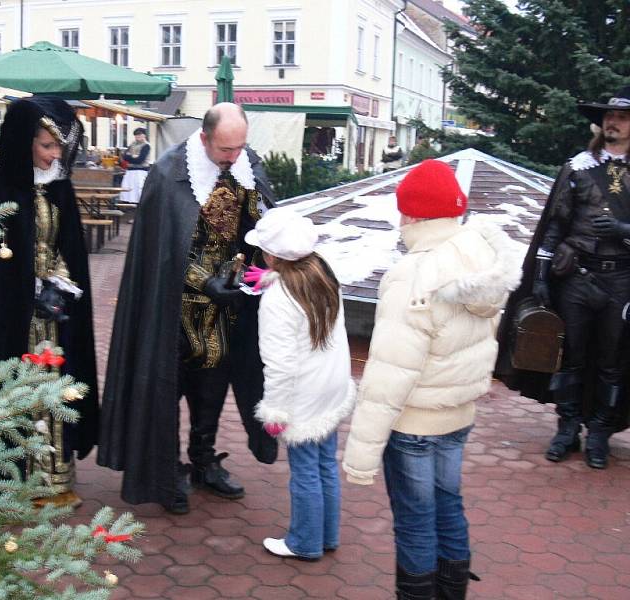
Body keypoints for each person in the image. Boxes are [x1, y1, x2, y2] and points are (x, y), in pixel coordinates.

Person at [343, 160, 522, 599]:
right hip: (458, 415)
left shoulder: (413, 274)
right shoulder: (481, 260)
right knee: (448, 508)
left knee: (415, 522)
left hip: (414, 424)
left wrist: (360, 457)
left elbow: (390, 372)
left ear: (412, 215)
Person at [98, 103, 278, 514]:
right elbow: (162, 249)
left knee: (212, 390)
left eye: (240, 147)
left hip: (226, 309)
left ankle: (203, 461)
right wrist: (203, 280)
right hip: (173, 311)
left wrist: (255, 254)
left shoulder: (247, 164)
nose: (233, 157)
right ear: (204, 137)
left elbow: (260, 225)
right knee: (166, 391)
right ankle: (167, 470)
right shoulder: (169, 171)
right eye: (226, 149)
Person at [0, 97, 99, 507]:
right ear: (23, 142)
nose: (54, 154)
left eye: (58, 146)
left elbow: (66, 247)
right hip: (8, 318)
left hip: (52, 314)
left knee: (54, 387)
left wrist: (61, 281)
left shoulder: (59, 188)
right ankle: (10, 478)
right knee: (11, 387)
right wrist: (21, 286)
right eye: (46, 145)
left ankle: (53, 476)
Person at [494, 84, 630, 470]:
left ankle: (601, 432)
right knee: (570, 355)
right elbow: (553, 227)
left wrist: (621, 228)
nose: (613, 123)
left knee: (612, 361)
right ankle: (567, 428)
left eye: (621, 117)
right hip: (577, 278)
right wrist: (539, 278)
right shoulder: (578, 168)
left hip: (622, 281)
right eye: (608, 117)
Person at [243, 208, 355, 561]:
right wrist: (270, 278)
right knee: (325, 465)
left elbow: (279, 363)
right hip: (331, 386)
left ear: (272, 255)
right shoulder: (321, 274)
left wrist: (276, 408)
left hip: (303, 393)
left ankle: (304, 542)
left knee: (305, 470)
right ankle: (327, 535)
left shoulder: (278, 300)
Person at [119, 127, 151, 204]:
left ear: (144, 136)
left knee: (138, 190)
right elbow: (124, 156)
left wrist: (131, 157)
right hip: (130, 171)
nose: (138, 137)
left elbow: (140, 160)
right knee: (127, 190)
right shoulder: (132, 144)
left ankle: (138, 206)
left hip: (140, 171)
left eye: (139, 135)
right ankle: (127, 206)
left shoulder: (146, 146)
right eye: (136, 136)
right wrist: (133, 156)